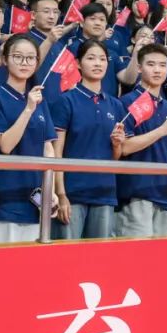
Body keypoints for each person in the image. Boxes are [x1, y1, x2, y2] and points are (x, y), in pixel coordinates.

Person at [52, 39, 127, 240]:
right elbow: (56, 152)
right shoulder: (66, 100)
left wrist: (117, 145)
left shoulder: (115, 105)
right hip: (73, 193)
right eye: (91, 58)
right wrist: (61, 194)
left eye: (102, 59)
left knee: (100, 255)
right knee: (67, 253)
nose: (97, 63)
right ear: (78, 63)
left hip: (105, 193)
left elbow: (115, 158)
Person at [0, 36, 57, 243]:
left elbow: (48, 147)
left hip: (35, 200)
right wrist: (28, 109)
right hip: (7, 199)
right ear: (5, 59)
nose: (25, 62)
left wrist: (51, 190)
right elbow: (5, 146)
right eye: (18, 57)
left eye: (30, 58)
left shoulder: (39, 99)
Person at [115, 44, 167, 237]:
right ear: (139, 68)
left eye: (162, 65)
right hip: (136, 193)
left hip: (165, 194)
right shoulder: (127, 102)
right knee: (137, 253)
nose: (157, 70)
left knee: (164, 253)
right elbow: (124, 147)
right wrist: (162, 130)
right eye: (151, 64)